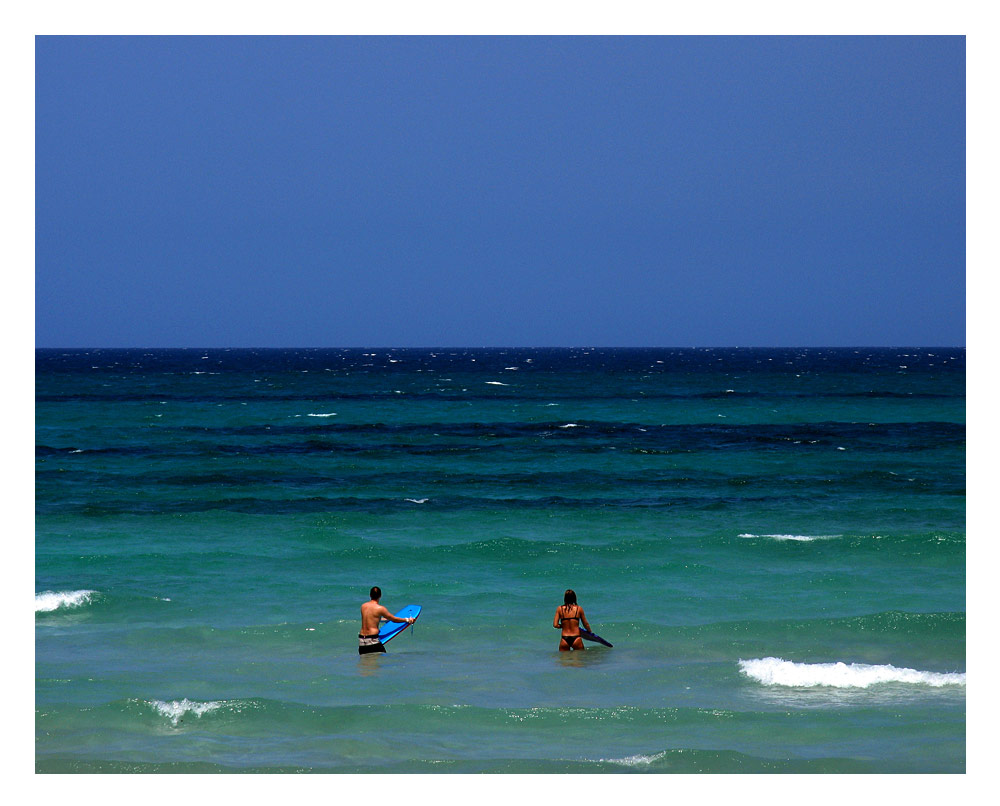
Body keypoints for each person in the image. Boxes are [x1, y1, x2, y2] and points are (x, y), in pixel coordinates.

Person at [359, 586, 415, 655]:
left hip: (362, 642)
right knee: (381, 662)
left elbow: (372, 619)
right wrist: (407, 620)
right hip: (373, 641)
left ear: (370, 595)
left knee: (365, 664)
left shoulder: (363, 606)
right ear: (380, 596)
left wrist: (386, 620)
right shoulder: (380, 608)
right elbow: (394, 619)